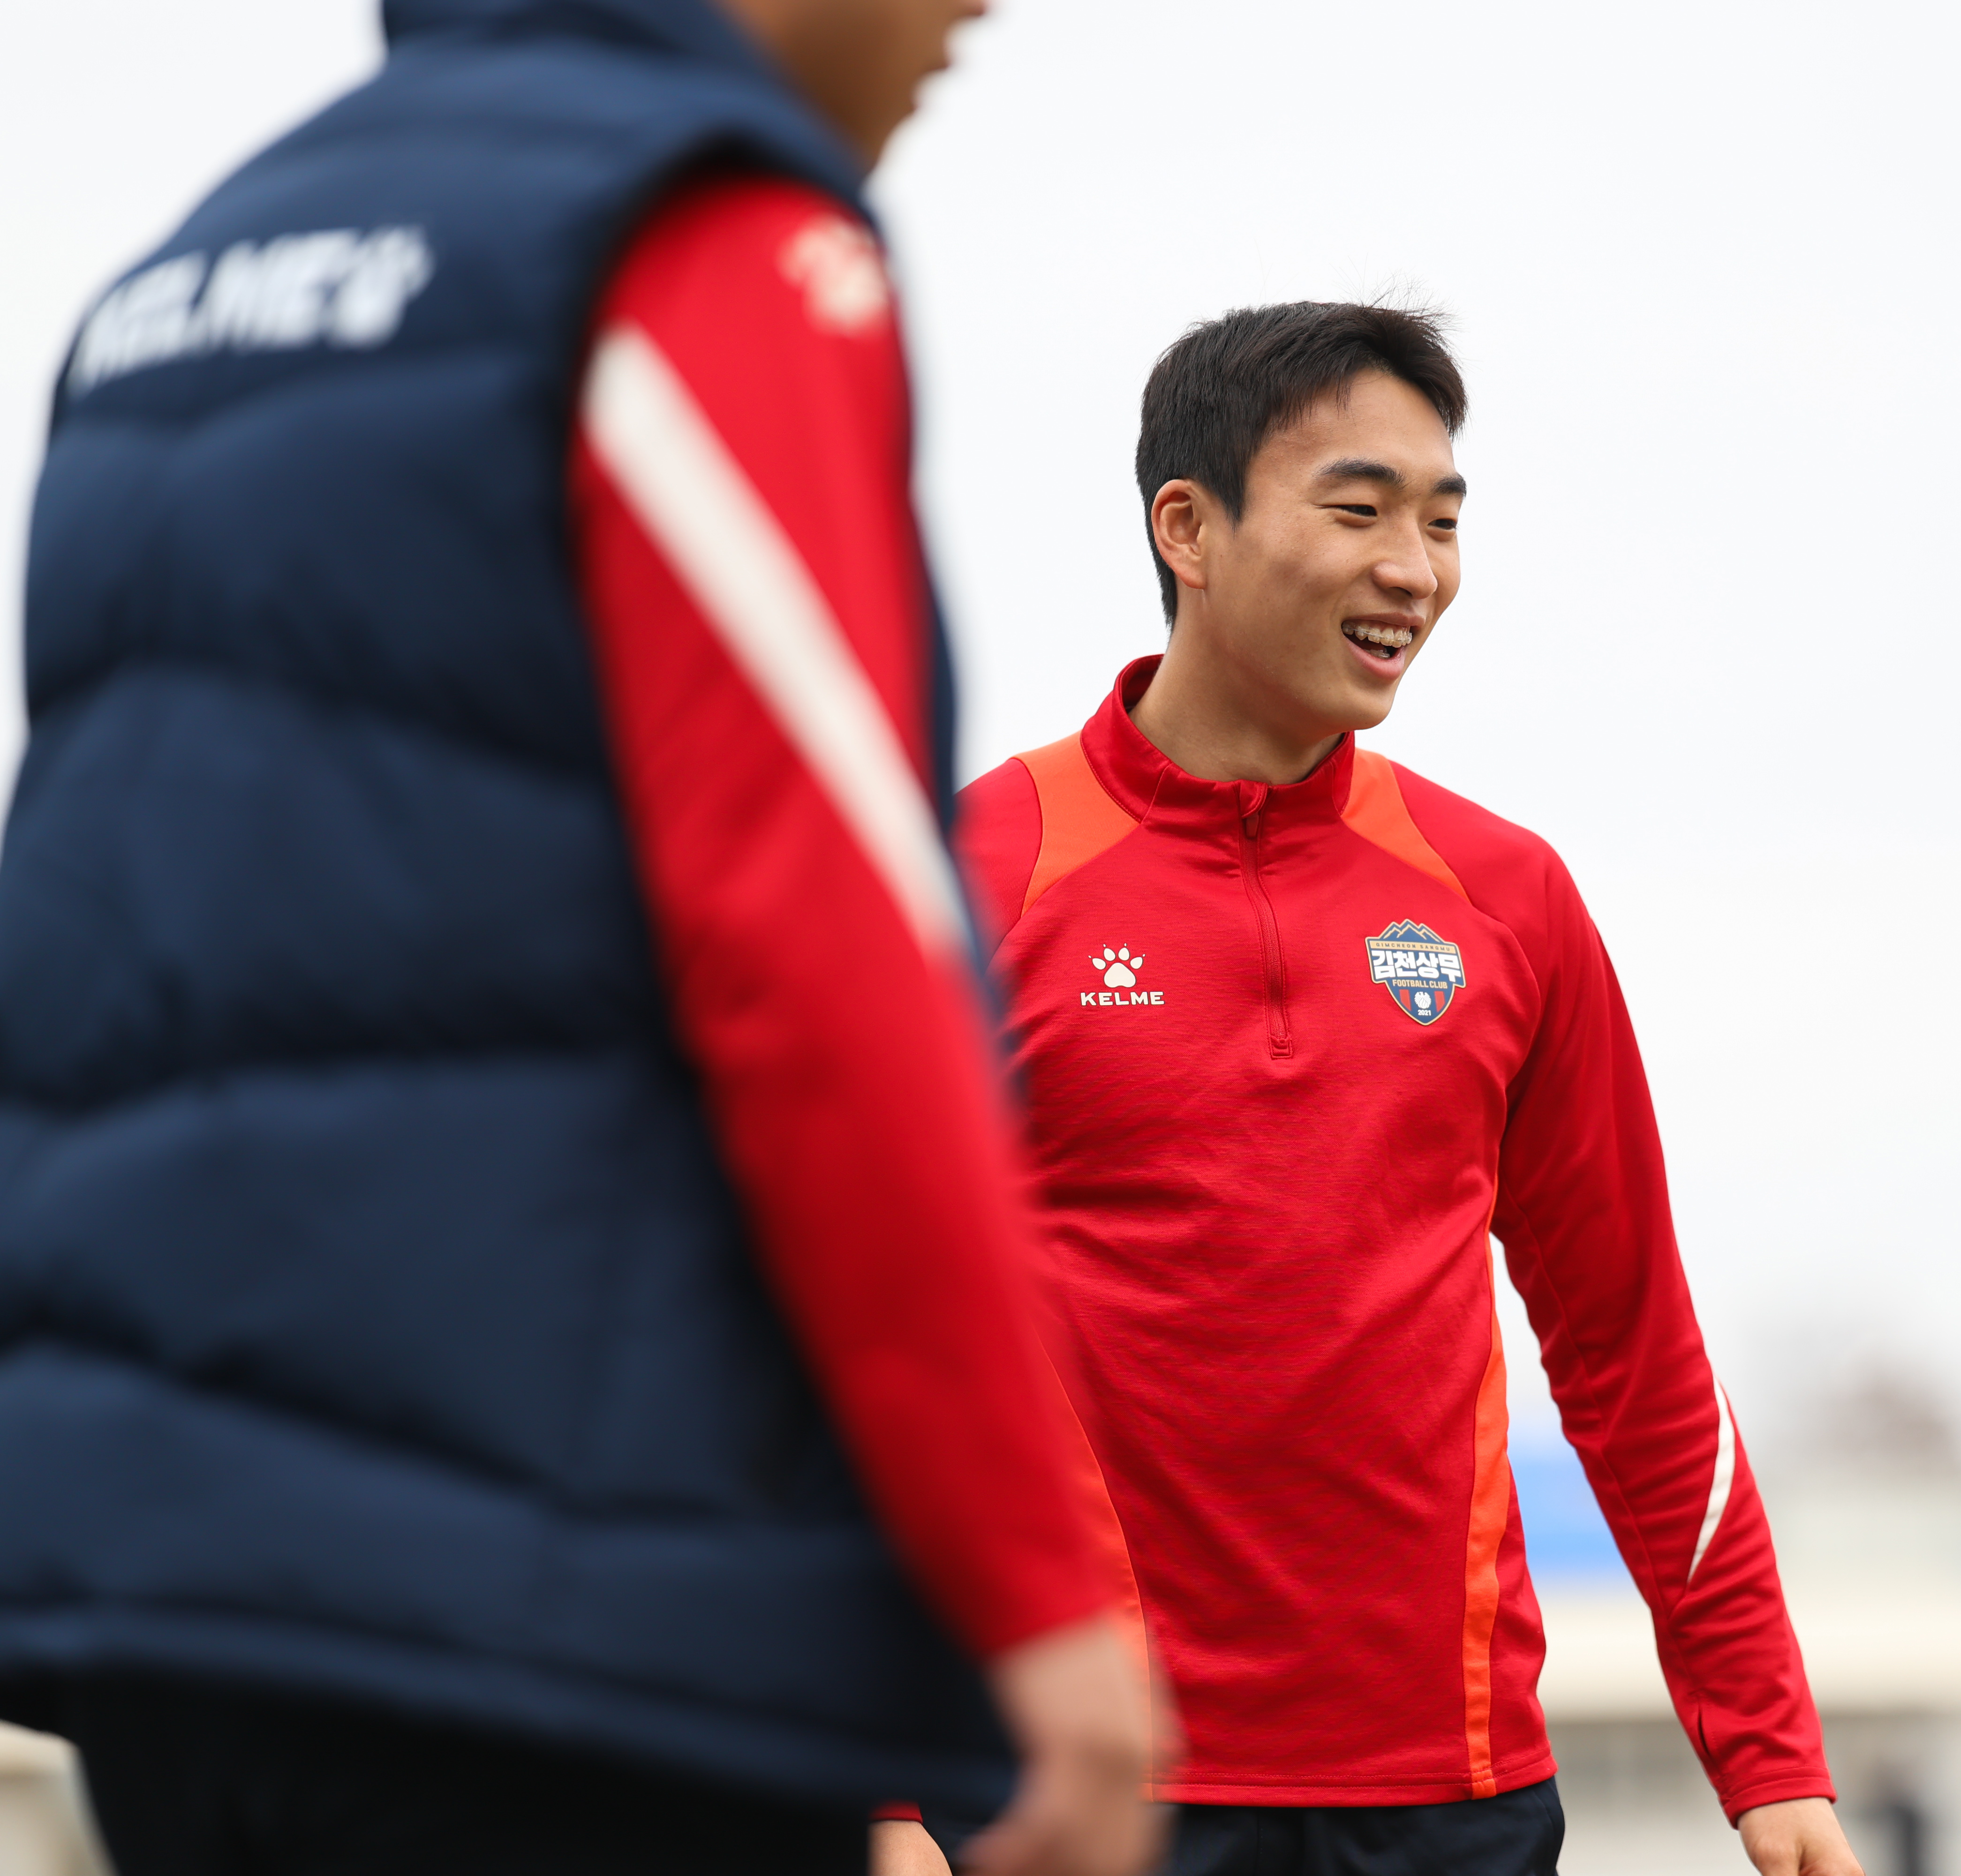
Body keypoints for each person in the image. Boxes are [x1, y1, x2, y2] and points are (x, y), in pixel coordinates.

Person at [0, 1, 1154, 1871]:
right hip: (567, 1622)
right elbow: (827, 948)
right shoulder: (691, 231)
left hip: (166, 1607)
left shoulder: (172, 295)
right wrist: (1033, 1592)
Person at [941, 302, 1866, 1876]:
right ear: (1190, 530)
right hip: (1076, 1790)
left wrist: (1771, 1756)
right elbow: (844, 1339)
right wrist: (885, 1793)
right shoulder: (978, 872)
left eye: (1442, 522)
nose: (1415, 571)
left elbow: (1635, 1352)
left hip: (1454, 1794)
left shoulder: (1506, 896)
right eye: (1360, 510)